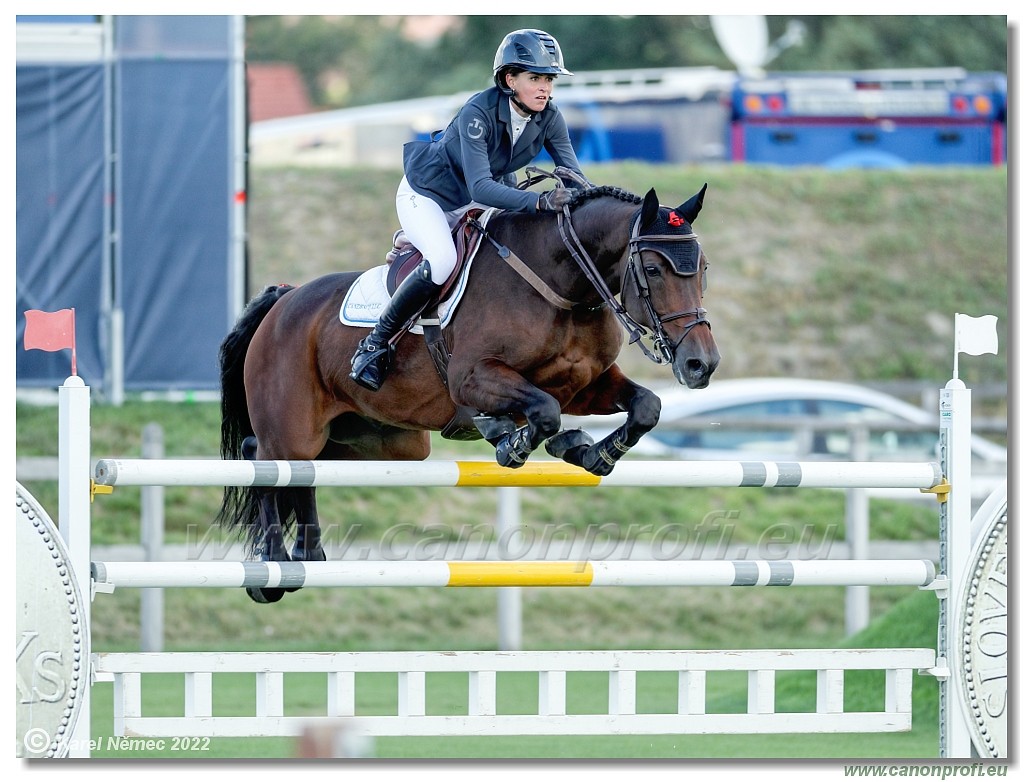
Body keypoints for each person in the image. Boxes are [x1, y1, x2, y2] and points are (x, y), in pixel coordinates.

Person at [349, 28, 590, 391]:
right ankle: (374, 343)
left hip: (479, 199)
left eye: (550, 79)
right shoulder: (477, 112)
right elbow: (481, 186)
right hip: (429, 196)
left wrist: (596, 201)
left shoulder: (550, 117)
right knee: (443, 260)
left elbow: (573, 175)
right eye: (535, 78)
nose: (545, 88)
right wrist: (540, 201)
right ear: (510, 79)